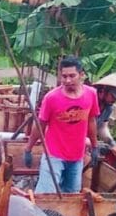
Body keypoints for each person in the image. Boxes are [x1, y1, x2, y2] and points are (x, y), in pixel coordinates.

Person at [25, 56, 100, 194]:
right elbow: (40, 125)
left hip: (77, 155)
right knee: (46, 195)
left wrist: (95, 146)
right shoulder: (52, 98)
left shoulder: (91, 94)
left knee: (71, 196)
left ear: (81, 75)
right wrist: (28, 149)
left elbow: (91, 121)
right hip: (53, 154)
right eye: (64, 76)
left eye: (72, 76)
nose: (67, 80)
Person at [92, 73, 116, 146]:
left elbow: (102, 127)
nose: (115, 100)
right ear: (103, 91)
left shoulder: (108, 108)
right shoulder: (89, 102)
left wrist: (110, 141)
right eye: (113, 96)